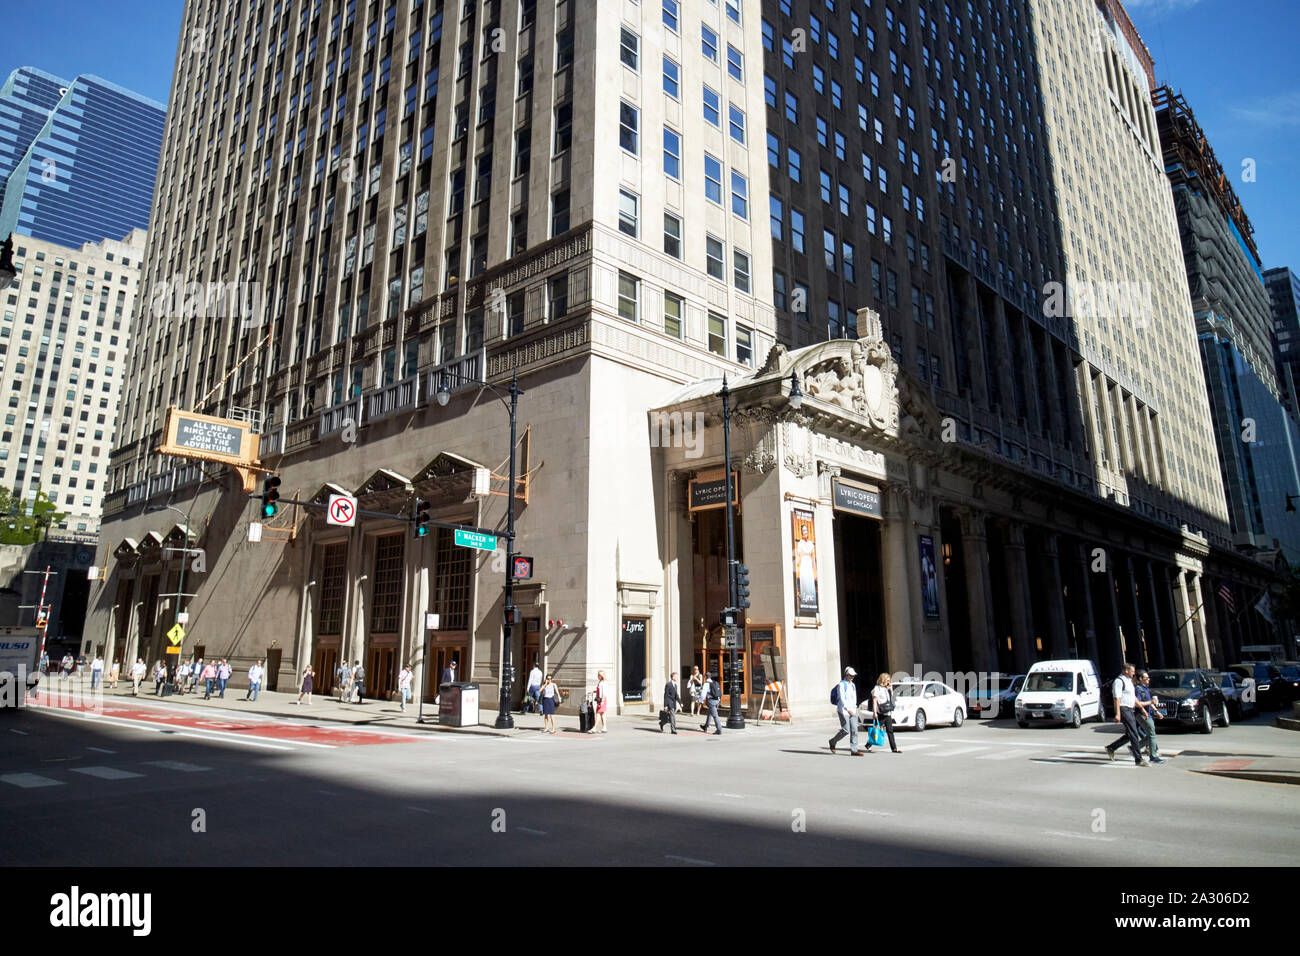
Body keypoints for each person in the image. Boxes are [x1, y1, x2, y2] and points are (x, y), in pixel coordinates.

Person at [1104, 663, 1149, 766]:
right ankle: (1138, 759)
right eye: (1132, 671)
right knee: (1134, 733)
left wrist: (1142, 709)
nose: (1134, 673)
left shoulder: (1129, 681)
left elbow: (1133, 697)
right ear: (1126, 671)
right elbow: (1116, 698)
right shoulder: (1119, 681)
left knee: (1130, 734)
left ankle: (1111, 748)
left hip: (1130, 709)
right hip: (1124, 709)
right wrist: (1117, 714)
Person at [829, 666, 862, 755]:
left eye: (853, 676)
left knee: (854, 730)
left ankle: (854, 750)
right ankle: (833, 741)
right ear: (846, 675)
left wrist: (854, 708)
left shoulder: (853, 685)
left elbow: (854, 698)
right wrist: (848, 709)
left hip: (853, 710)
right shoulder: (841, 685)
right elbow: (842, 699)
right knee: (846, 730)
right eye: (851, 676)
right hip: (843, 710)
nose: (852, 677)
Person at [869, 672, 901, 753]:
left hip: (888, 713)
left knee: (890, 731)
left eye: (889, 680)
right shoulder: (877, 688)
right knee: (877, 730)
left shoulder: (887, 689)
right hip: (881, 714)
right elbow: (875, 700)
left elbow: (892, 700)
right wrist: (874, 712)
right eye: (887, 680)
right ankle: (868, 744)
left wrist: (891, 689)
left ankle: (894, 748)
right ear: (882, 680)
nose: (889, 682)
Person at [590, 670, 610, 734]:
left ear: (602, 676)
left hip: (602, 700)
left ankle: (594, 728)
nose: (598, 676)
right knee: (602, 714)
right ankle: (604, 728)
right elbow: (599, 691)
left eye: (599, 675)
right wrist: (594, 691)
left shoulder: (604, 682)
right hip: (600, 700)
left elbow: (604, 693)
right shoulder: (600, 682)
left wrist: (602, 701)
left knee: (598, 714)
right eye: (598, 675)